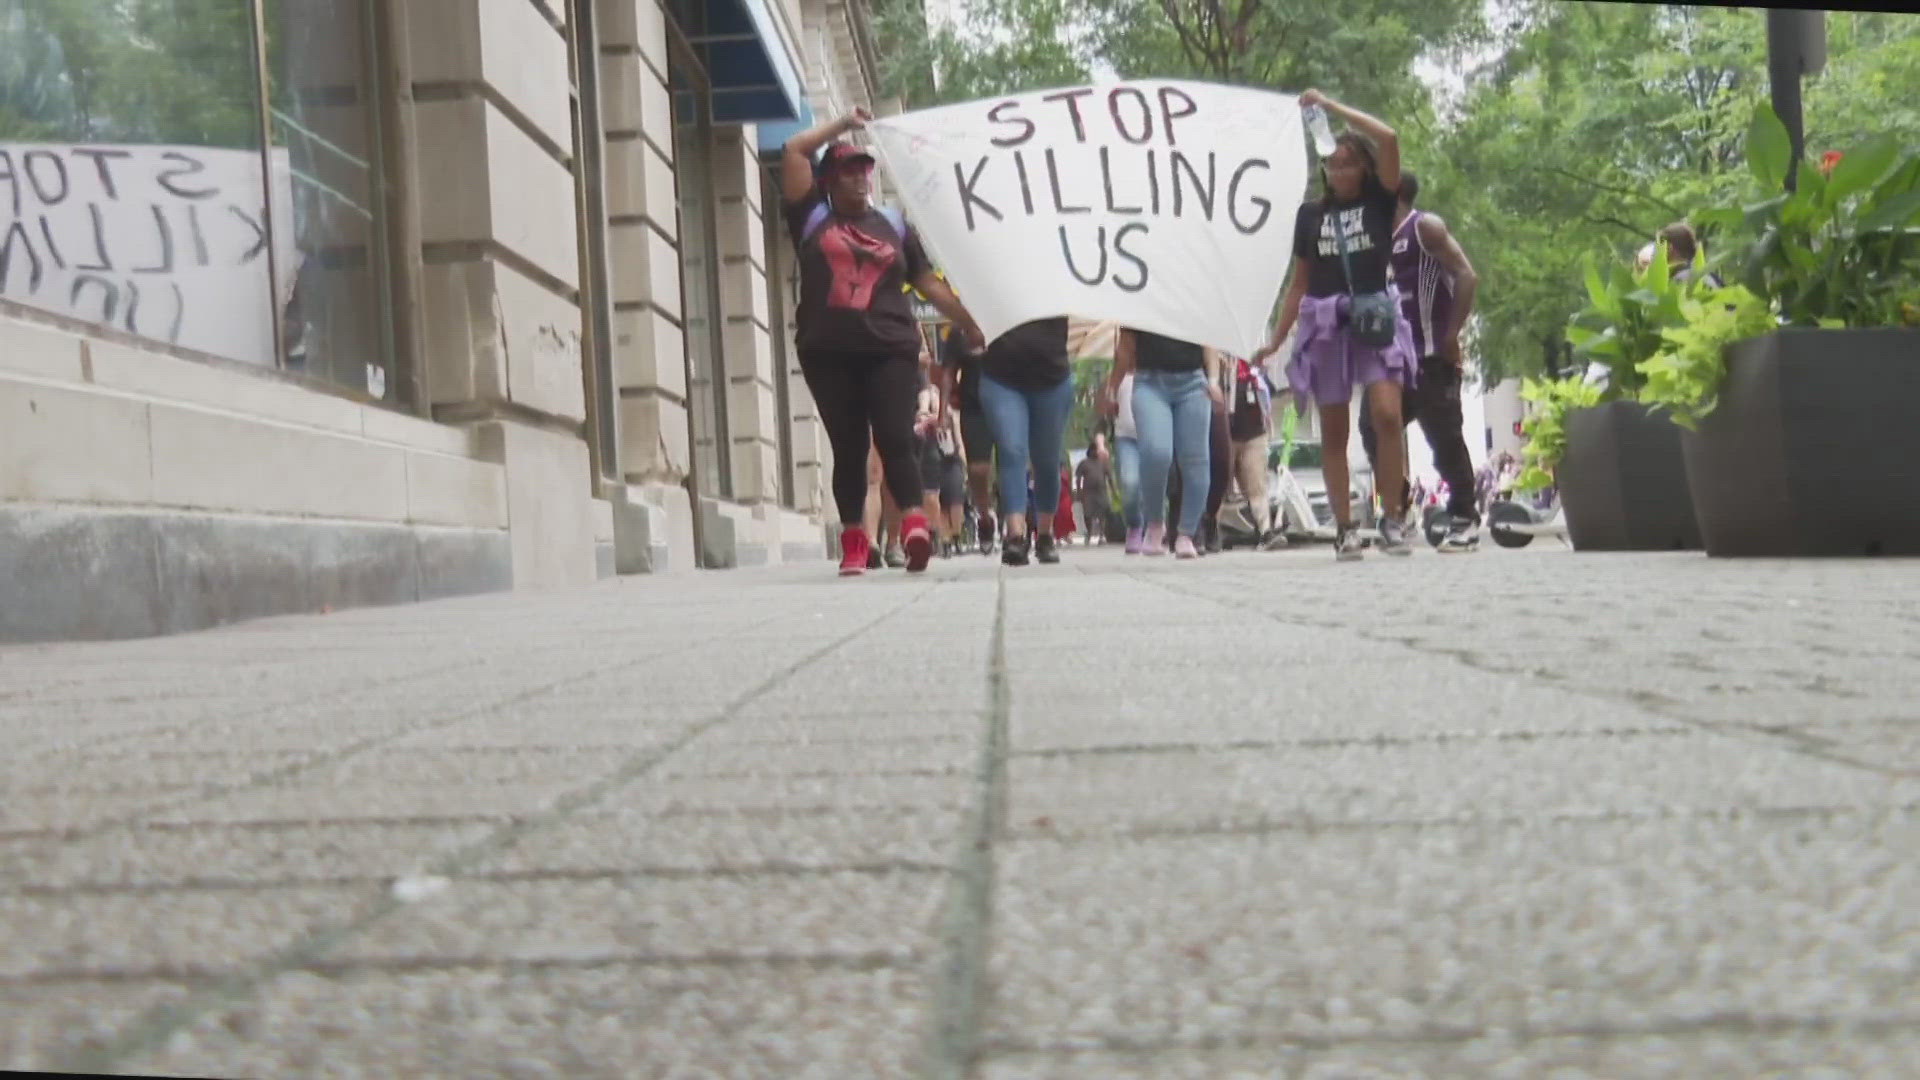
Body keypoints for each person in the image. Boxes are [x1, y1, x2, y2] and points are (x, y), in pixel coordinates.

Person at [781, 109, 984, 576]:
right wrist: (844, 124)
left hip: (890, 348)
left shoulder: (894, 226)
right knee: (849, 446)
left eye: (865, 170)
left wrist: (969, 321)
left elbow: (929, 284)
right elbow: (794, 150)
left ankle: (914, 526)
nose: (859, 179)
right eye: (849, 171)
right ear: (829, 180)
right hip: (827, 352)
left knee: (897, 436)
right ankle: (855, 540)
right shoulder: (811, 216)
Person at [1251, 89, 1415, 561]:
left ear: (1363, 167)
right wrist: (1277, 340)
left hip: (1375, 316)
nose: (1339, 172)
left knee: (1387, 415)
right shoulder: (1310, 215)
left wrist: (1331, 109)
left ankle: (1393, 518)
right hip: (1326, 323)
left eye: (1348, 163)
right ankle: (1345, 528)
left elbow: (1388, 137)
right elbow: (1299, 282)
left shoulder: (1381, 202)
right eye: (1333, 165)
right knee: (1335, 428)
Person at [1357, 169, 1483, 553]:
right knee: (1372, 428)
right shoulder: (1375, 240)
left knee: (1443, 438)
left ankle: (1464, 518)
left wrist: (1450, 334)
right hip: (1392, 361)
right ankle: (1399, 506)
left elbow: (1466, 275)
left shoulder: (1424, 227)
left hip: (1431, 356)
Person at [1104, 328, 1219, 559]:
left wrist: (1213, 380)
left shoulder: (1197, 294)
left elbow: (1209, 339)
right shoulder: (1140, 294)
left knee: (1196, 459)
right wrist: (1112, 387)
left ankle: (1186, 534)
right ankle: (1155, 524)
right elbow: (1126, 346)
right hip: (1149, 382)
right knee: (1156, 453)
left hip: (1193, 382)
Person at [976, 318, 1075, 566]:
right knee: (1011, 450)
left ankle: (1044, 534)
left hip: (1052, 378)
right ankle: (1016, 534)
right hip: (1001, 377)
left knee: (1047, 460)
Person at [934, 323, 998, 555]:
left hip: (1008, 404)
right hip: (974, 409)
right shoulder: (958, 332)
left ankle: (1015, 527)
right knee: (978, 470)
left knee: (1013, 461)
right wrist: (942, 412)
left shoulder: (1002, 321)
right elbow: (948, 373)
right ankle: (984, 518)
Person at [1225, 352, 1286, 549]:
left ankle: (1265, 531)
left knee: (1257, 486)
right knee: (1217, 487)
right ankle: (1210, 531)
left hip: (1254, 435)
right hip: (1225, 434)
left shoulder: (1254, 369)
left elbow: (1269, 391)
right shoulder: (1218, 363)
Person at [1111, 371, 1146, 553]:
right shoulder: (1118, 377)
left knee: (1154, 486)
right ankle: (1134, 525)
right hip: (1126, 438)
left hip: (1152, 437)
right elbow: (1102, 409)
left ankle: (1154, 525)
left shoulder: (1155, 373)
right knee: (1129, 483)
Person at [1075, 435, 1113, 546]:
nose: (1095, 452)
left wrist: (1114, 491)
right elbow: (1078, 478)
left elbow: (1109, 477)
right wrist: (1078, 491)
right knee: (1088, 514)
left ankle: (1102, 535)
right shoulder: (1084, 463)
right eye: (1094, 450)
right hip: (1088, 493)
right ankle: (1089, 534)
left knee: (1102, 514)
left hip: (1101, 492)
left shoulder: (1103, 463)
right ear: (1090, 451)